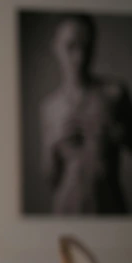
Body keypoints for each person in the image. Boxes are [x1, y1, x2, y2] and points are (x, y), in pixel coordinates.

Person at [40, 13, 132, 214]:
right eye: (70, 46)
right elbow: (50, 178)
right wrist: (53, 143)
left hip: (109, 209)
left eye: (86, 46)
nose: (80, 57)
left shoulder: (114, 93)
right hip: (67, 211)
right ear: (55, 46)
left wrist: (119, 134)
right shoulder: (50, 107)